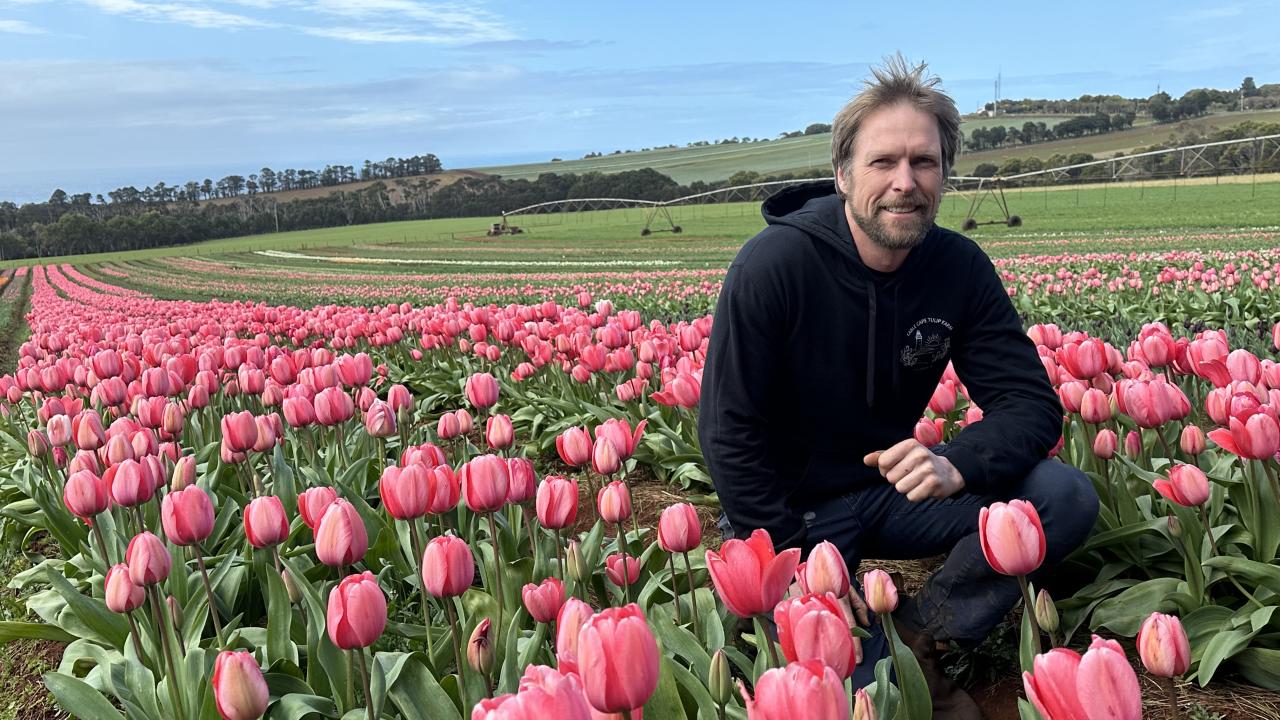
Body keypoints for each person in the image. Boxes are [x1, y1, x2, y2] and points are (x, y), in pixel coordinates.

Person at [697, 55, 1099, 718]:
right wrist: (798, 565)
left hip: (889, 495)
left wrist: (955, 462)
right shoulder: (774, 266)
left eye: (925, 163)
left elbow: (1030, 403)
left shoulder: (958, 268)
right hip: (789, 512)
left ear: (945, 174)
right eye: (884, 162)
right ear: (843, 173)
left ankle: (924, 630)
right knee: (869, 699)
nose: (905, 183)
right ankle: (876, 659)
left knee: (1061, 496)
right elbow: (727, 432)